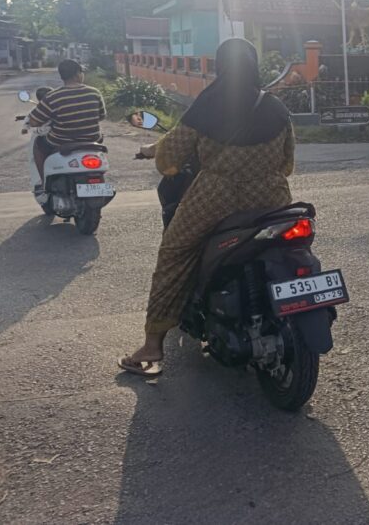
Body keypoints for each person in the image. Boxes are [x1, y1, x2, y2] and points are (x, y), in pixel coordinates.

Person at [119, 38, 295, 376]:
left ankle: (152, 345)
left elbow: (170, 159)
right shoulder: (275, 107)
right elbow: (287, 162)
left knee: (174, 252)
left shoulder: (208, 103)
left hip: (215, 197)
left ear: (220, 65)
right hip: (272, 198)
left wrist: (177, 160)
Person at [25, 59, 107, 190]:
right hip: (92, 139)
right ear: (77, 74)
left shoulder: (52, 97)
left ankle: (44, 183)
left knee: (38, 144)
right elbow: (102, 116)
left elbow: (34, 121)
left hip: (60, 141)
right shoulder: (94, 92)